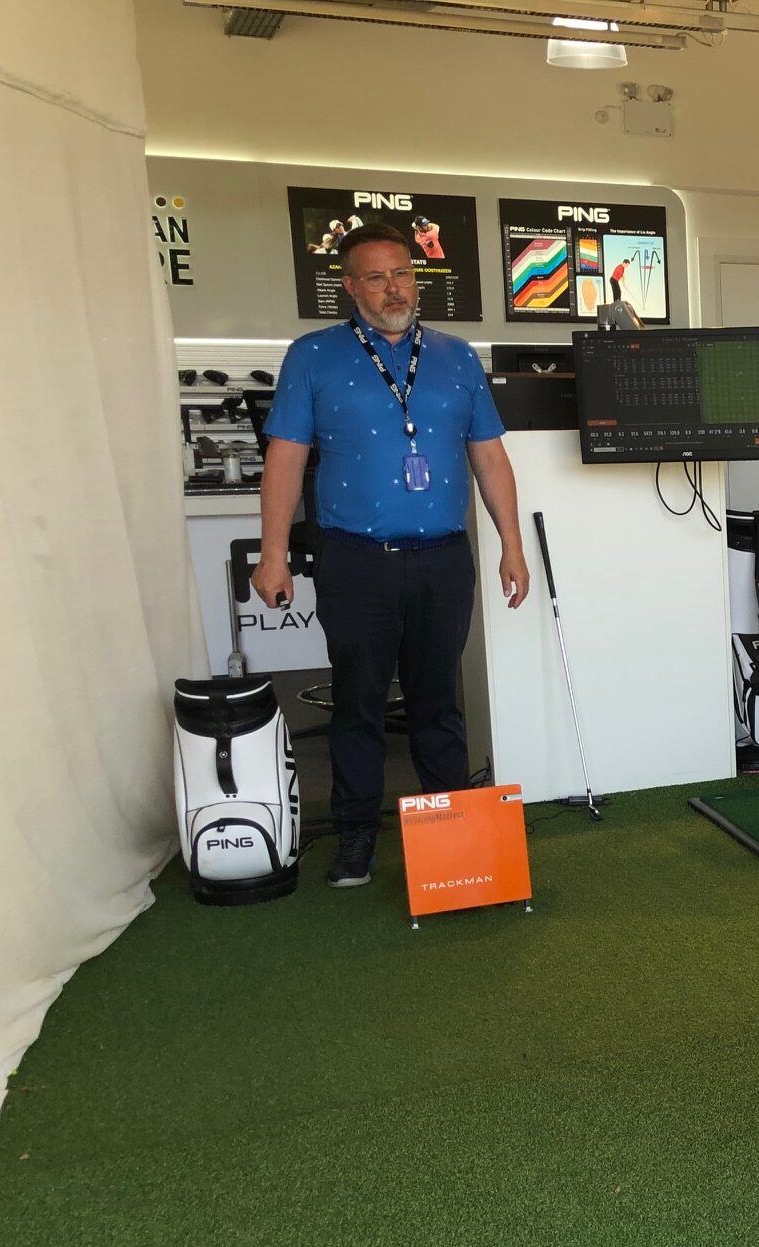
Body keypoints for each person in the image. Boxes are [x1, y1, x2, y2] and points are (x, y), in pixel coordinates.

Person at [252, 221, 530, 887]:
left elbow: (489, 456)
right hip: (357, 560)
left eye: (402, 273)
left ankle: (458, 842)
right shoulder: (313, 356)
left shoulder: (457, 358)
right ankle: (355, 838)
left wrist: (512, 546)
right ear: (349, 288)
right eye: (375, 277)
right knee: (360, 703)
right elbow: (284, 459)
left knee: (438, 704)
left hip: (442, 558)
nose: (392, 287)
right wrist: (273, 553)